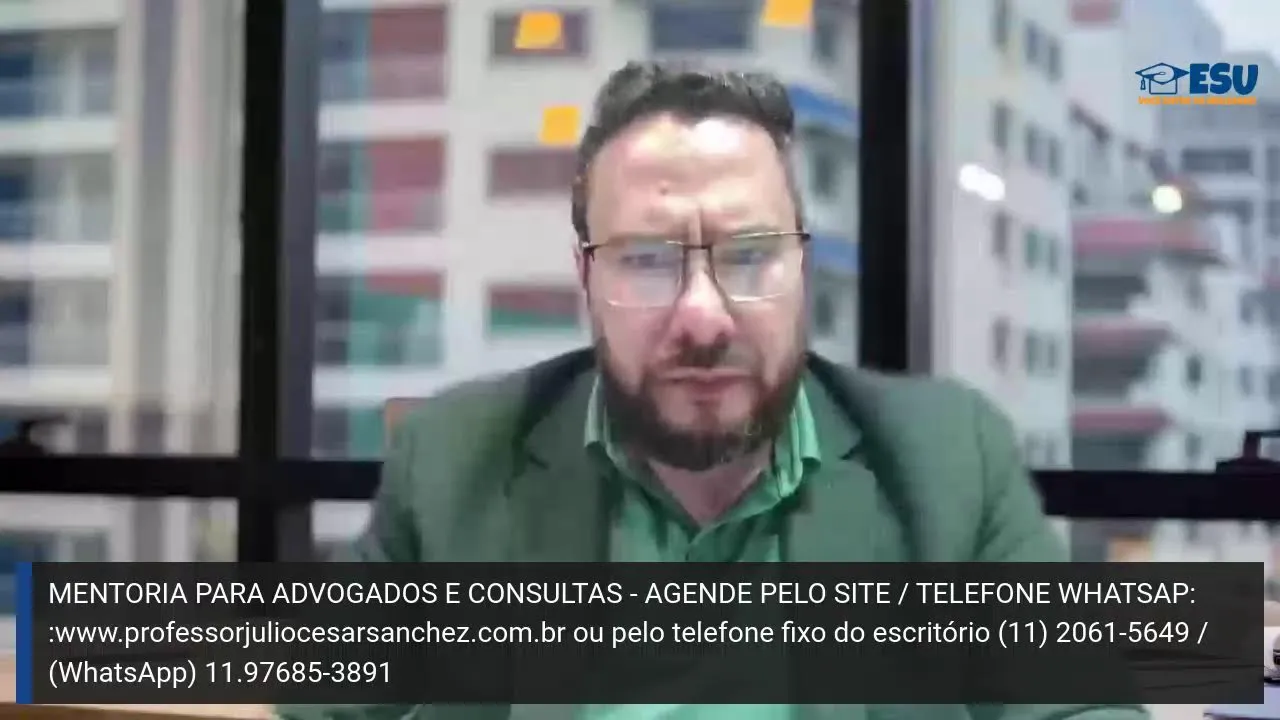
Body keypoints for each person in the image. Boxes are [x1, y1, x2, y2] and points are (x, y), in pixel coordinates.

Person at [279, 62, 1147, 720]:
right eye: (647, 260)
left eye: (750, 255)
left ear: (802, 267)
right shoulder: (453, 459)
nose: (702, 315)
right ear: (586, 279)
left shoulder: (947, 460)